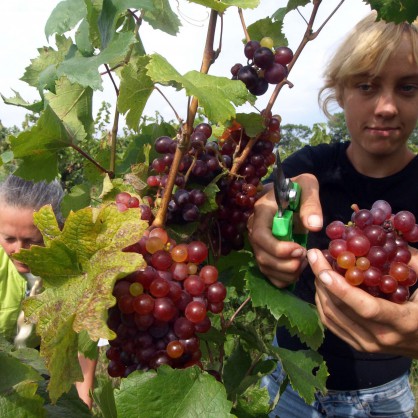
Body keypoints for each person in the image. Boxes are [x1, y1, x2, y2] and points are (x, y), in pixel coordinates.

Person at [248, 12, 418, 417]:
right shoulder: (314, 164)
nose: (387, 106)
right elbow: (272, 194)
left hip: (385, 396)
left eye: (409, 87)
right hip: (289, 382)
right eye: (366, 85)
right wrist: (266, 211)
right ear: (339, 92)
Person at [0, 174, 96, 408]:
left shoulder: (74, 272)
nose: (19, 250)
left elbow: (80, 346)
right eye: (8, 238)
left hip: (39, 365)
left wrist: (83, 403)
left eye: (33, 240)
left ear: (57, 230)